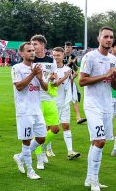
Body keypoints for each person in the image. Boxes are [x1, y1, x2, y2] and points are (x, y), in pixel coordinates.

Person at [79, 26, 116, 191]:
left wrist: (115, 75)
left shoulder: (114, 59)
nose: (109, 40)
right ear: (99, 38)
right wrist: (106, 74)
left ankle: (89, 178)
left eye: (111, 37)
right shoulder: (89, 57)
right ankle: (95, 180)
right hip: (92, 104)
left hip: (106, 104)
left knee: (96, 142)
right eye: (105, 37)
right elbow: (82, 81)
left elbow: (115, 86)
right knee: (100, 140)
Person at [12, 42, 47, 180]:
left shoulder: (38, 68)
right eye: (28, 51)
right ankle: (30, 170)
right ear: (21, 53)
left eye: (33, 50)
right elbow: (19, 86)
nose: (32, 53)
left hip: (37, 109)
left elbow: (45, 88)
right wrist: (33, 74)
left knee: (41, 138)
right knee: (26, 141)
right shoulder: (16, 68)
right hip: (24, 110)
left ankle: (20, 157)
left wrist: (39, 77)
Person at [30, 35, 59, 170]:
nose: (33, 47)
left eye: (35, 44)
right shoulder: (30, 60)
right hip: (35, 99)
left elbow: (54, 78)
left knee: (55, 129)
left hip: (49, 98)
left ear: (42, 45)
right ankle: (39, 158)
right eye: (32, 44)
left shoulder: (50, 60)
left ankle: (38, 147)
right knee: (38, 132)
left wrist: (53, 79)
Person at [52, 47, 80, 160]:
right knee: (51, 128)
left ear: (63, 56)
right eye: (54, 55)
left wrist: (72, 78)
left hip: (64, 102)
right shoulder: (51, 69)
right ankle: (47, 149)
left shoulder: (67, 69)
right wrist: (65, 77)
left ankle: (70, 151)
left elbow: (69, 85)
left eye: (58, 55)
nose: (56, 57)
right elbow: (54, 84)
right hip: (53, 102)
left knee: (66, 126)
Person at [64, 42, 86, 125]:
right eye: (66, 47)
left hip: (71, 79)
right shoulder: (61, 55)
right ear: (64, 47)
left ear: (71, 48)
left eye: (69, 47)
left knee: (74, 98)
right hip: (61, 80)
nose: (68, 48)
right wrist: (69, 63)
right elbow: (59, 68)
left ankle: (78, 118)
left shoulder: (73, 57)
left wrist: (73, 63)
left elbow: (76, 69)